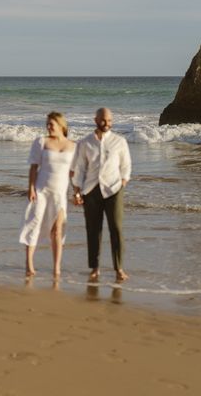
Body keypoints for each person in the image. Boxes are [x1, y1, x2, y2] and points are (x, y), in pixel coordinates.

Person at [71, 107, 132, 282]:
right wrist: (76, 192)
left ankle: (119, 268)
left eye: (110, 120)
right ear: (96, 120)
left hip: (114, 190)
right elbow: (79, 169)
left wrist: (122, 183)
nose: (107, 124)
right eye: (104, 120)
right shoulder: (85, 143)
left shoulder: (119, 141)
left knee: (116, 229)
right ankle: (94, 268)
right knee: (93, 230)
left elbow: (126, 166)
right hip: (91, 191)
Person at [19, 112, 76, 278]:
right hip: (41, 191)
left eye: (52, 124)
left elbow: (73, 173)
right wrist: (31, 188)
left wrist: (77, 192)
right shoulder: (41, 142)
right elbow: (33, 168)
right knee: (34, 224)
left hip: (60, 194)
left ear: (61, 126)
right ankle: (29, 264)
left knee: (57, 231)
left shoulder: (73, 146)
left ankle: (56, 268)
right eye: (47, 124)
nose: (49, 127)